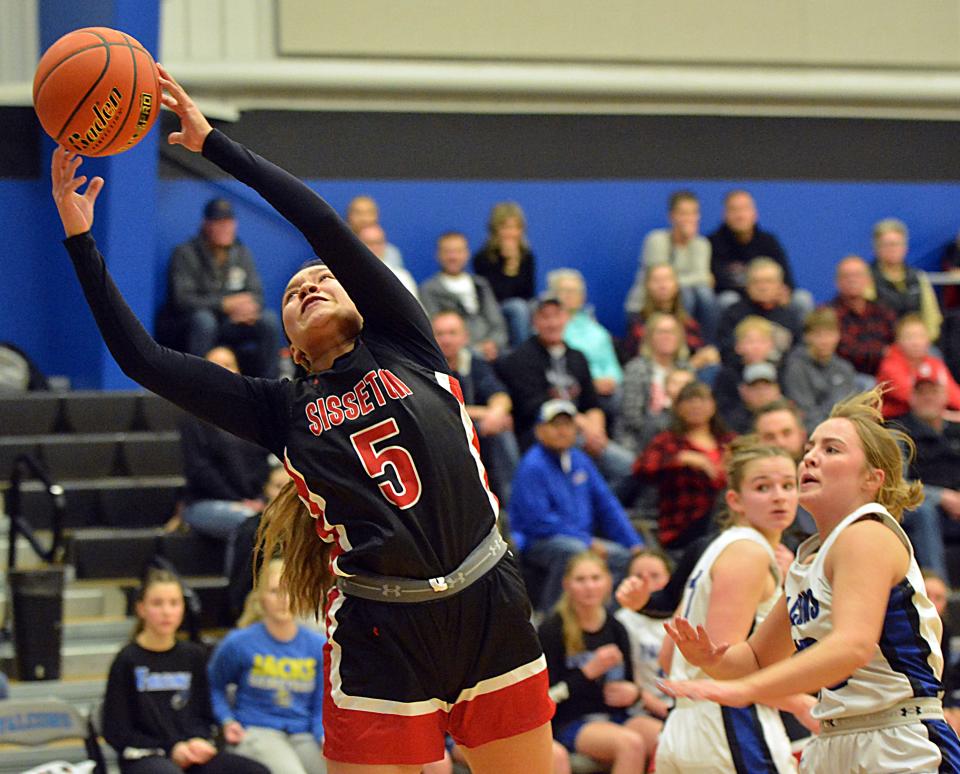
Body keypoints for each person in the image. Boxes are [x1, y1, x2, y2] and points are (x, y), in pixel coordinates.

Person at [53, 66, 554, 773]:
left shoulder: (406, 341)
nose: (311, 282)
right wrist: (80, 238)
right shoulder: (281, 408)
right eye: (294, 290)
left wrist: (215, 146)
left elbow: (321, 223)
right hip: (381, 626)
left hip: (486, 599)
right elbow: (145, 361)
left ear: (360, 299)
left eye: (323, 278)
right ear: (288, 342)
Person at [660, 387, 960, 773]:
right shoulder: (809, 560)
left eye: (831, 450)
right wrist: (712, 661)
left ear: (872, 478)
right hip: (834, 738)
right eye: (810, 449)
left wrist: (744, 691)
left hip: (898, 737)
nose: (811, 457)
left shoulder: (866, 533)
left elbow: (851, 645)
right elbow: (753, 660)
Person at [625, 436, 815, 772]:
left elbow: (671, 655)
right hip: (728, 726)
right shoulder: (750, 553)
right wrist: (795, 701)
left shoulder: (714, 548)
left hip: (682, 728)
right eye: (762, 487)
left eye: (788, 485)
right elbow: (722, 667)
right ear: (735, 501)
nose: (779, 496)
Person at [102, 568, 269, 774]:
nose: (166, 611)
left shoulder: (194, 656)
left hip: (191, 752)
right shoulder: (127, 659)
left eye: (174, 603)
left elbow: (205, 715)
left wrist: (197, 742)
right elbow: (116, 730)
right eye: (157, 603)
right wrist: (171, 748)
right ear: (141, 608)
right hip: (145, 756)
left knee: (254, 771)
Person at [509, 399, 643, 612]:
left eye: (568, 425)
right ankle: (552, 619)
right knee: (574, 552)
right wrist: (586, 541)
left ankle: (604, 620)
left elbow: (607, 504)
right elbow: (538, 521)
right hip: (538, 541)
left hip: (580, 538)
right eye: (555, 425)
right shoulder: (532, 465)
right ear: (540, 430)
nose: (562, 431)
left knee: (624, 558)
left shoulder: (580, 460)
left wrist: (634, 543)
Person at [496, 293, 634, 487]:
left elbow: (591, 403)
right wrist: (583, 426)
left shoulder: (578, 357)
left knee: (630, 468)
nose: (552, 323)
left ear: (567, 318)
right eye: (545, 317)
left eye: (557, 316)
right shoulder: (521, 358)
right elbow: (536, 406)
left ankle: (592, 511)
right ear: (534, 321)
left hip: (583, 433)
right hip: (543, 435)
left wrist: (596, 431)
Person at [208, 551, 327, 774]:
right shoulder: (239, 642)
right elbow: (214, 685)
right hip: (257, 731)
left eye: (290, 590)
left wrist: (322, 735)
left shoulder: (318, 645)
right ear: (261, 596)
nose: (284, 599)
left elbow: (321, 703)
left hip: (303, 733)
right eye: (275, 591)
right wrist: (226, 720)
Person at [537, 552, 651, 772]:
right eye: (581, 580)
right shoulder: (552, 630)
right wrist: (588, 672)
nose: (589, 586)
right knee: (631, 744)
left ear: (608, 582)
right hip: (572, 720)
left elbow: (628, 685)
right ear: (566, 584)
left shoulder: (616, 627)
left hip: (617, 716)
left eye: (595, 578)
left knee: (666, 738)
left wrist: (633, 693)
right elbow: (545, 699)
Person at [160, 197, 281, 378]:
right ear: (206, 224)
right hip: (193, 324)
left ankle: (270, 385)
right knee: (204, 320)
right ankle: (197, 383)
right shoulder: (186, 253)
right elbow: (182, 299)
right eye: (219, 222)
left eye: (229, 222)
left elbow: (256, 294)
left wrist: (247, 309)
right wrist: (223, 304)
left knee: (268, 320)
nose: (226, 228)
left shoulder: (241, 253)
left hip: (230, 322)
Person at [179, 346, 271, 573]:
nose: (222, 370)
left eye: (228, 364)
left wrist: (259, 497)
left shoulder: (253, 414)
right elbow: (200, 470)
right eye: (214, 365)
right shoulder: (192, 416)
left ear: (239, 372)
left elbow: (263, 463)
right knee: (249, 524)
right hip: (204, 502)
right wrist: (238, 500)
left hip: (252, 502)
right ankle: (238, 599)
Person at [631, 381, 735, 552]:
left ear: (713, 405)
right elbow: (641, 469)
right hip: (684, 526)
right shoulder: (668, 441)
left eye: (702, 400)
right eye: (689, 401)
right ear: (677, 408)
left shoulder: (728, 441)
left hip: (726, 522)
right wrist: (680, 459)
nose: (696, 406)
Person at [432, 309, 519, 503]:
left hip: (475, 429)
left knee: (502, 427)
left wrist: (496, 414)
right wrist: (484, 412)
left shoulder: (473, 363)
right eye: (440, 334)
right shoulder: (424, 367)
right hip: (439, 432)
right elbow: (442, 408)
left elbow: (501, 396)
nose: (446, 340)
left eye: (452, 333)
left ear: (465, 337)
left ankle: (510, 508)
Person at [625, 190, 719, 342]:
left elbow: (703, 281)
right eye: (683, 213)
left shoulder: (702, 244)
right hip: (644, 306)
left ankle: (708, 344)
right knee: (686, 293)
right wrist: (694, 277)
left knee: (704, 293)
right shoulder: (656, 239)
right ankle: (678, 347)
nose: (689, 218)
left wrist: (696, 278)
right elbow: (661, 281)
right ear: (672, 216)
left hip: (681, 305)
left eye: (693, 213)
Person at [898, 372, 960, 580]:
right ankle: (938, 590)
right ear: (912, 398)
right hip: (918, 504)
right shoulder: (899, 433)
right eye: (921, 393)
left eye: (933, 392)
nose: (928, 398)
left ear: (944, 396)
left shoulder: (955, 431)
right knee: (925, 512)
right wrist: (940, 496)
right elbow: (896, 484)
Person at [707, 190, 809, 315]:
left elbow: (787, 279)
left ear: (754, 214)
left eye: (744, 209)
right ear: (725, 215)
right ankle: (724, 335)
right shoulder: (712, 243)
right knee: (727, 299)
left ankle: (797, 334)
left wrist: (781, 292)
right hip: (740, 304)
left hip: (771, 301)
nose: (740, 215)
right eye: (734, 209)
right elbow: (717, 285)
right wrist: (755, 293)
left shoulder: (768, 241)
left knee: (802, 298)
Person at [420, 232, 508, 361]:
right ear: (438, 255)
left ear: (467, 254)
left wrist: (493, 343)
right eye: (448, 251)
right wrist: (473, 348)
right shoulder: (428, 289)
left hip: (492, 350)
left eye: (458, 251)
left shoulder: (481, 284)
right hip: (456, 353)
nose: (453, 257)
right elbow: (437, 330)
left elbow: (497, 322)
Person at [548, 268, 623, 419]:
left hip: (605, 388)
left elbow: (611, 364)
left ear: (583, 297)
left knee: (625, 397)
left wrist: (611, 380)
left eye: (575, 291)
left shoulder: (598, 331)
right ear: (553, 295)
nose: (569, 296)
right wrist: (592, 382)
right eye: (564, 290)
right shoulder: (550, 328)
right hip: (570, 388)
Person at [615, 312, 693, 455]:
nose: (667, 337)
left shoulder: (687, 369)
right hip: (640, 441)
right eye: (661, 332)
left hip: (683, 437)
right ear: (649, 337)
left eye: (672, 332)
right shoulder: (636, 368)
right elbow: (632, 417)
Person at [621, 262, 720, 373]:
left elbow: (697, 350)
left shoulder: (688, 323)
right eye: (657, 280)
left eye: (667, 279)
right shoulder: (638, 322)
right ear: (647, 285)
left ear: (676, 285)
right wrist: (691, 365)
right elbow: (638, 359)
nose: (662, 285)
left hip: (686, 381)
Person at [613, 550, 674, 728]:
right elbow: (619, 681)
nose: (647, 582)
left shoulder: (687, 615)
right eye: (638, 576)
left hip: (685, 707)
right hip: (641, 710)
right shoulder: (622, 620)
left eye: (655, 576)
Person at [717, 258, 804, 368]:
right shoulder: (733, 314)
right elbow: (725, 351)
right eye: (757, 282)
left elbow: (798, 352)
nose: (763, 287)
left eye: (769, 281)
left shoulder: (790, 317)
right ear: (747, 286)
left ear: (780, 286)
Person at [782, 307, 857, 432]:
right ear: (807, 337)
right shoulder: (796, 367)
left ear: (838, 335)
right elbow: (805, 412)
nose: (824, 341)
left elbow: (850, 409)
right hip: (812, 433)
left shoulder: (845, 368)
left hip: (843, 431)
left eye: (830, 334)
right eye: (818, 335)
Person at [472, 201, 537, 347]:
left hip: (524, 305)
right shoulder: (483, 258)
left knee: (540, 306)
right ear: (495, 230)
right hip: (495, 309)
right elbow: (495, 295)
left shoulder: (527, 256)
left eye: (516, 227)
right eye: (506, 227)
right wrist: (510, 265)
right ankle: (522, 354)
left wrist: (516, 262)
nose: (511, 233)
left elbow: (529, 292)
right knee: (517, 308)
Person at [870, 218, 942, 342]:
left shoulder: (918, 277)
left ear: (905, 247)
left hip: (918, 344)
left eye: (897, 244)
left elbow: (932, 317)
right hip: (884, 345)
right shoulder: (868, 278)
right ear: (876, 248)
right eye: (887, 244)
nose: (893, 249)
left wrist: (924, 341)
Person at [876, 313, 960, 418]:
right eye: (910, 337)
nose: (916, 342)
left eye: (921, 336)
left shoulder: (935, 364)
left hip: (931, 420)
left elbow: (953, 393)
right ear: (898, 341)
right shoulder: (889, 367)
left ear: (928, 340)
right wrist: (948, 415)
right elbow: (914, 398)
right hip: (895, 423)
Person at [829, 255, 896, 383]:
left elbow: (896, 343)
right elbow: (844, 352)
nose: (852, 280)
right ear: (837, 282)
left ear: (868, 280)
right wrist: (881, 352)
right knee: (868, 384)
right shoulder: (829, 313)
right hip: (846, 377)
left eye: (857, 275)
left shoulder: (882, 310)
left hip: (886, 371)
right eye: (846, 276)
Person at [356, 223, 420, 301]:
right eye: (369, 243)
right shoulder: (347, 275)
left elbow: (414, 309)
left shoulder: (402, 277)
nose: (375, 248)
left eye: (378, 243)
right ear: (357, 245)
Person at [345, 194, 404, 269]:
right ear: (349, 216)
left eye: (369, 212)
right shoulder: (338, 249)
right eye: (358, 213)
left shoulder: (391, 253)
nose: (365, 219)